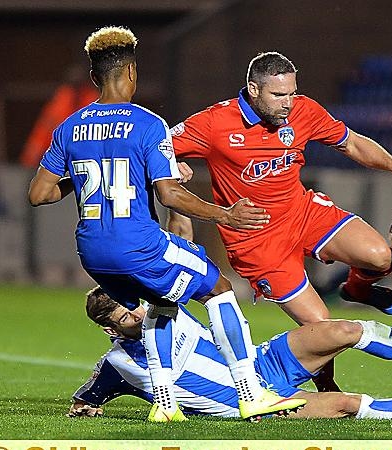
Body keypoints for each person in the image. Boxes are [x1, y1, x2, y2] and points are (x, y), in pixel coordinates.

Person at [27, 26, 306, 423]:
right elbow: (170, 196)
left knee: (162, 303)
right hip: (137, 244)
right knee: (219, 290)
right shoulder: (147, 123)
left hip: (92, 254)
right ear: (132, 73)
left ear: (94, 78)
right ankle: (250, 394)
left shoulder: (69, 127)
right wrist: (226, 215)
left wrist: (94, 179)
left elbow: (39, 195)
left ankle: (165, 404)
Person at [171, 51, 392, 391]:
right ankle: (328, 390)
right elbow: (153, 144)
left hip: (303, 213)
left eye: (292, 92)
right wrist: (171, 163)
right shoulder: (214, 123)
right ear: (253, 89)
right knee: (322, 326)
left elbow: (350, 142)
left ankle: (356, 288)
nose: (288, 103)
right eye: (279, 95)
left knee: (379, 256)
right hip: (257, 241)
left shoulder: (303, 110)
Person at [68, 287, 392, 421]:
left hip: (259, 364)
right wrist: (86, 406)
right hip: (252, 406)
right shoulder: (119, 365)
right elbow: (85, 397)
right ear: (110, 327)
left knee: (343, 330)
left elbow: (178, 241)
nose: (139, 312)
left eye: (135, 302)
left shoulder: (163, 309)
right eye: (128, 313)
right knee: (348, 404)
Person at [20, 63, 97, 169]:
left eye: (79, 85)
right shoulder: (62, 97)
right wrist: (34, 148)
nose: (75, 90)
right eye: (73, 85)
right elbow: (46, 126)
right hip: (58, 153)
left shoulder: (92, 99)